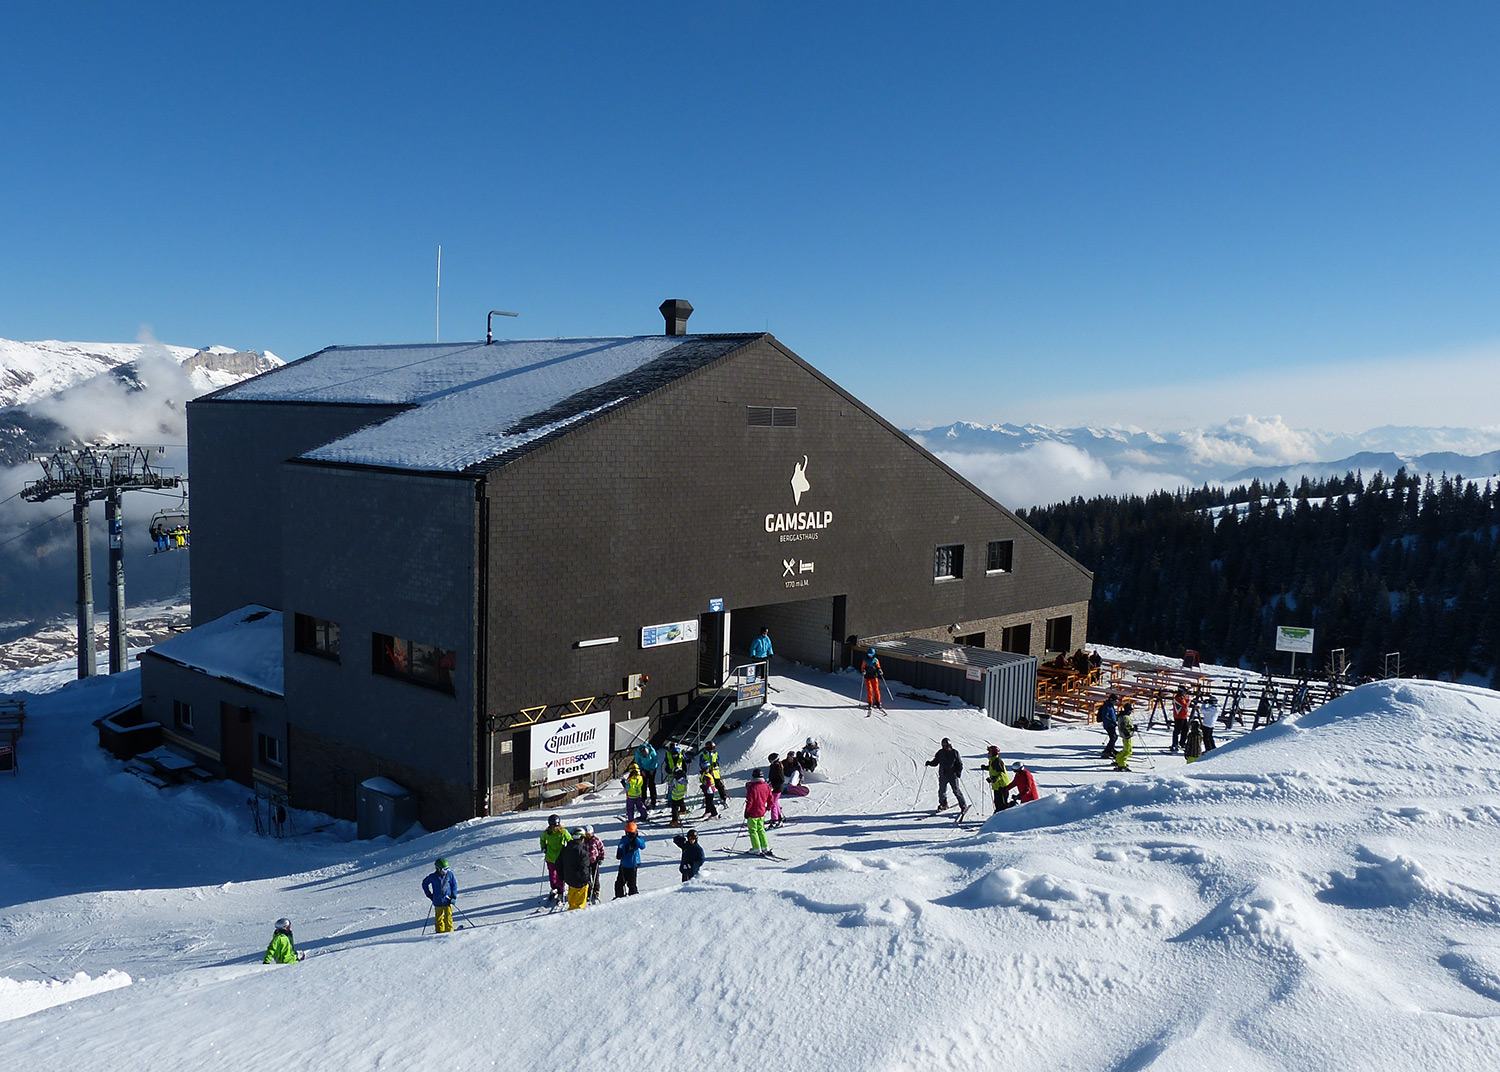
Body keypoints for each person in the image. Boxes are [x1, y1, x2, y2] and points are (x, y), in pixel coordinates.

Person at [925, 737, 967, 815]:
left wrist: (958, 772)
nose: (947, 747)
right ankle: (943, 804)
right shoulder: (940, 753)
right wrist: (930, 763)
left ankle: (963, 805)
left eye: (948, 745)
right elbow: (935, 762)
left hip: (952, 775)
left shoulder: (954, 753)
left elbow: (959, 764)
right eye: (945, 746)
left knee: (956, 790)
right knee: (942, 791)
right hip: (943, 775)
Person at [539, 815, 572, 904]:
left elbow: (570, 840)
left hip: (560, 858)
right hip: (550, 857)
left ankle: (561, 890)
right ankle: (554, 888)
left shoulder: (563, 832)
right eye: (553, 826)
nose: (555, 828)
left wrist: (568, 848)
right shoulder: (547, 833)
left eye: (556, 826)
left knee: (560, 875)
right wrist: (544, 847)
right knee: (552, 874)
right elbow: (542, 840)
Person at [422, 857, 458, 933]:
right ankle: (439, 932)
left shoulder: (450, 875)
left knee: (448, 917)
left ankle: (449, 931)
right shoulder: (433, 876)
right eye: (444, 869)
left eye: (447, 868)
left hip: (448, 900)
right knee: (439, 918)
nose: (446, 871)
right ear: (438, 868)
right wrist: (428, 894)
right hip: (437, 901)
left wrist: (453, 896)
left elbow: (454, 885)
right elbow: (424, 883)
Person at [558, 829, 592, 910]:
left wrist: (562, 876)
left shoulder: (565, 849)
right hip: (580, 883)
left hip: (570, 881)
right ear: (581, 839)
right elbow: (584, 869)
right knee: (580, 906)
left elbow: (558, 864)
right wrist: (586, 880)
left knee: (572, 903)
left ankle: (570, 913)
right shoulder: (582, 853)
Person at [744, 768, 774, 856]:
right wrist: (768, 807)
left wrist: (747, 811)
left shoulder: (752, 788)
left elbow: (750, 801)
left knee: (753, 830)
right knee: (761, 829)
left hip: (753, 813)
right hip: (761, 812)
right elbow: (771, 798)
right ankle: (765, 847)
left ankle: (756, 848)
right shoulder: (766, 786)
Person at [615, 821, 645, 898]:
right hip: (624, 865)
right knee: (619, 883)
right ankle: (619, 897)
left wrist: (636, 838)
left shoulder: (637, 840)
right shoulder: (624, 840)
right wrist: (619, 853)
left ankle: (633, 898)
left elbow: (642, 846)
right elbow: (620, 847)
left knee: (631, 884)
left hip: (632, 865)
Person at [581, 826, 606, 905]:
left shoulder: (595, 840)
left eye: (589, 835)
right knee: (586, 876)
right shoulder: (583, 841)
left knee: (595, 875)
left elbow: (601, 848)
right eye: (586, 835)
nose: (588, 837)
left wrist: (601, 857)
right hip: (585, 861)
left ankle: (596, 889)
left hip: (594, 861)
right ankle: (588, 889)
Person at [698, 741, 727, 806]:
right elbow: (700, 763)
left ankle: (723, 796)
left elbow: (719, 761)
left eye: (713, 748)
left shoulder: (715, 754)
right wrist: (705, 765)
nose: (711, 749)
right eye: (710, 748)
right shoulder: (703, 754)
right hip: (707, 772)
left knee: (719, 785)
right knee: (707, 786)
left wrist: (716, 763)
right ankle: (707, 797)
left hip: (715, 772)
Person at [985, 745, 1012, 813]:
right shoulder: (992, 760)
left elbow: (1001, 774)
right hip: (997, 786)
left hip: (1002, 786)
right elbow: (993, 769)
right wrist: (986, 768)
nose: (988, 753)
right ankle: (998, 815)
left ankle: (1003, 817)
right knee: (997, 802)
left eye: (990, 752)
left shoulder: (997, 761)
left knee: (1002, 804)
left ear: (994, 752)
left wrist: (994, 779)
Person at [634, 740, 660, 807]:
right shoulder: (638, 752)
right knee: (643, 784)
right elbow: (637, 761)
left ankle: (653, 799)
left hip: (652, 768)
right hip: (644, 768)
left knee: (651, 784)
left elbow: (655, 759)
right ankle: (643, 799)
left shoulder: (652, 750)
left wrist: (652, 769)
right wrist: (642, 770)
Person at [861, 648, 885, 714]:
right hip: (868, 677)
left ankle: (878, 701)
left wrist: (880, 670)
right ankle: (870, 702)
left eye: (871, 654)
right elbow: (863, 667)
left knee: (876, 689)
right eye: (869, 654)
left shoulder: (875, 660)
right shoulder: (865, 661)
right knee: (870, 690)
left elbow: (878, 667)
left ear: (873, 654)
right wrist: (863, 671)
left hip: (874, 677)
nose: (870, 656)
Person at [1114, 702, 1136, 771]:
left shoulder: (1122, 716)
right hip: (1127, 735)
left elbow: (1127, 725)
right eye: (1130, 711)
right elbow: (1124, 727)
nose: (1131, 712)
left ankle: (1118, 760)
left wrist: (1132, 727)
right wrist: (1130, 730)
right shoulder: (1124, 717)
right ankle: (1122, 764)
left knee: (1126, 750)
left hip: (1126, 735)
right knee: (1128, 751)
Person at [766, 753, 786, 827]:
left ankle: (775, 820)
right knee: (775, 802)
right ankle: (779, 816)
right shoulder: (773, 766)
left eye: (771, 760)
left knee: (773, 803)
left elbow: (781, 780)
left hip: (778, 788)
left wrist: (773, 785)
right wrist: (769, 781)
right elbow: (771, 776)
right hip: (774, 787)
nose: (770, 762)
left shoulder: (778, 767)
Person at [1097, 693, 1119, 759]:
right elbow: (1105, 716)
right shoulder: (1107, 706)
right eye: (1115, 701)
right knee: (1113, 737)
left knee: (1114, 737)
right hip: (1108, 725)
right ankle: (1108, 751)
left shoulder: (1110, 705)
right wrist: (1112, 721)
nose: (1115, 702)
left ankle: (1110, 749)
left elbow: (1112, 715)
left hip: (1111, 724)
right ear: (1111, 700)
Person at [1170, 686, 1190, 752]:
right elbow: (1184, 705)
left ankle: (1182, 743)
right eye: (1184, 691)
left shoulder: (1182, 697)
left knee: (1185, 729)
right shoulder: (1177, 698)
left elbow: (1186, 701)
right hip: (1178, 717)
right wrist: (1189, 701)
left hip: (1184, 716)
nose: (1185, 693)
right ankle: (1174, 744)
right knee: (1177, 731)